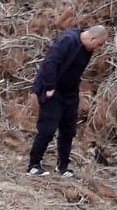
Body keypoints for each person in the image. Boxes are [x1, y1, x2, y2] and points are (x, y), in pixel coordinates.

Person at [28, 25, 108, 178]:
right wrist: (49, 86)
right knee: (47, 129)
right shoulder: (68, 40)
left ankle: (63, 167)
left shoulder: (87, 49)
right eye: (99, 44)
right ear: (92, 38)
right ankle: (34, 165)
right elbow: (50, 62)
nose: (99, 48)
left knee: (69, 130)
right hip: (52, 90)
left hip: (70, 93)